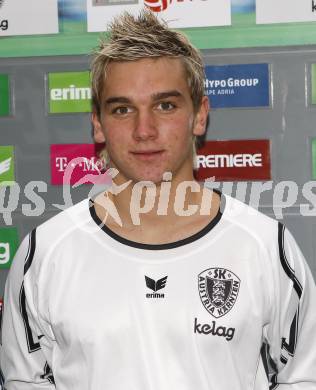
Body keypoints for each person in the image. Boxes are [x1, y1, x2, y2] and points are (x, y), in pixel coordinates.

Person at [1, 10, 316, 390]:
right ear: (97, 124)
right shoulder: (47, 252)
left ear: (199, 115)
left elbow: (304, 378)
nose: (144, 130)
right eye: (122, 109)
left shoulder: (265, 247)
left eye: (165, 105)